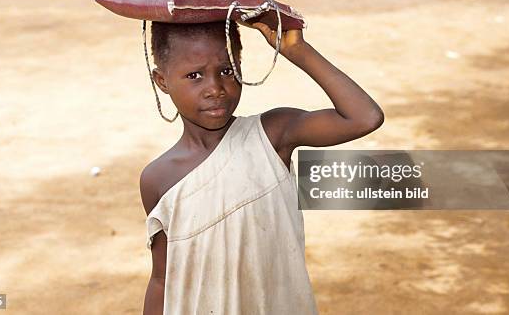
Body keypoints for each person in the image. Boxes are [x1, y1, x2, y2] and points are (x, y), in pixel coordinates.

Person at [140, 18, 384, 314]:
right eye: (194, 75)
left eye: (227, 70)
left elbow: (364, 118)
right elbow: (162, 279)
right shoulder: (158, 178)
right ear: (162, 81)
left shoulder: (272, 134)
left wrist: (297, 50)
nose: (215, 88)